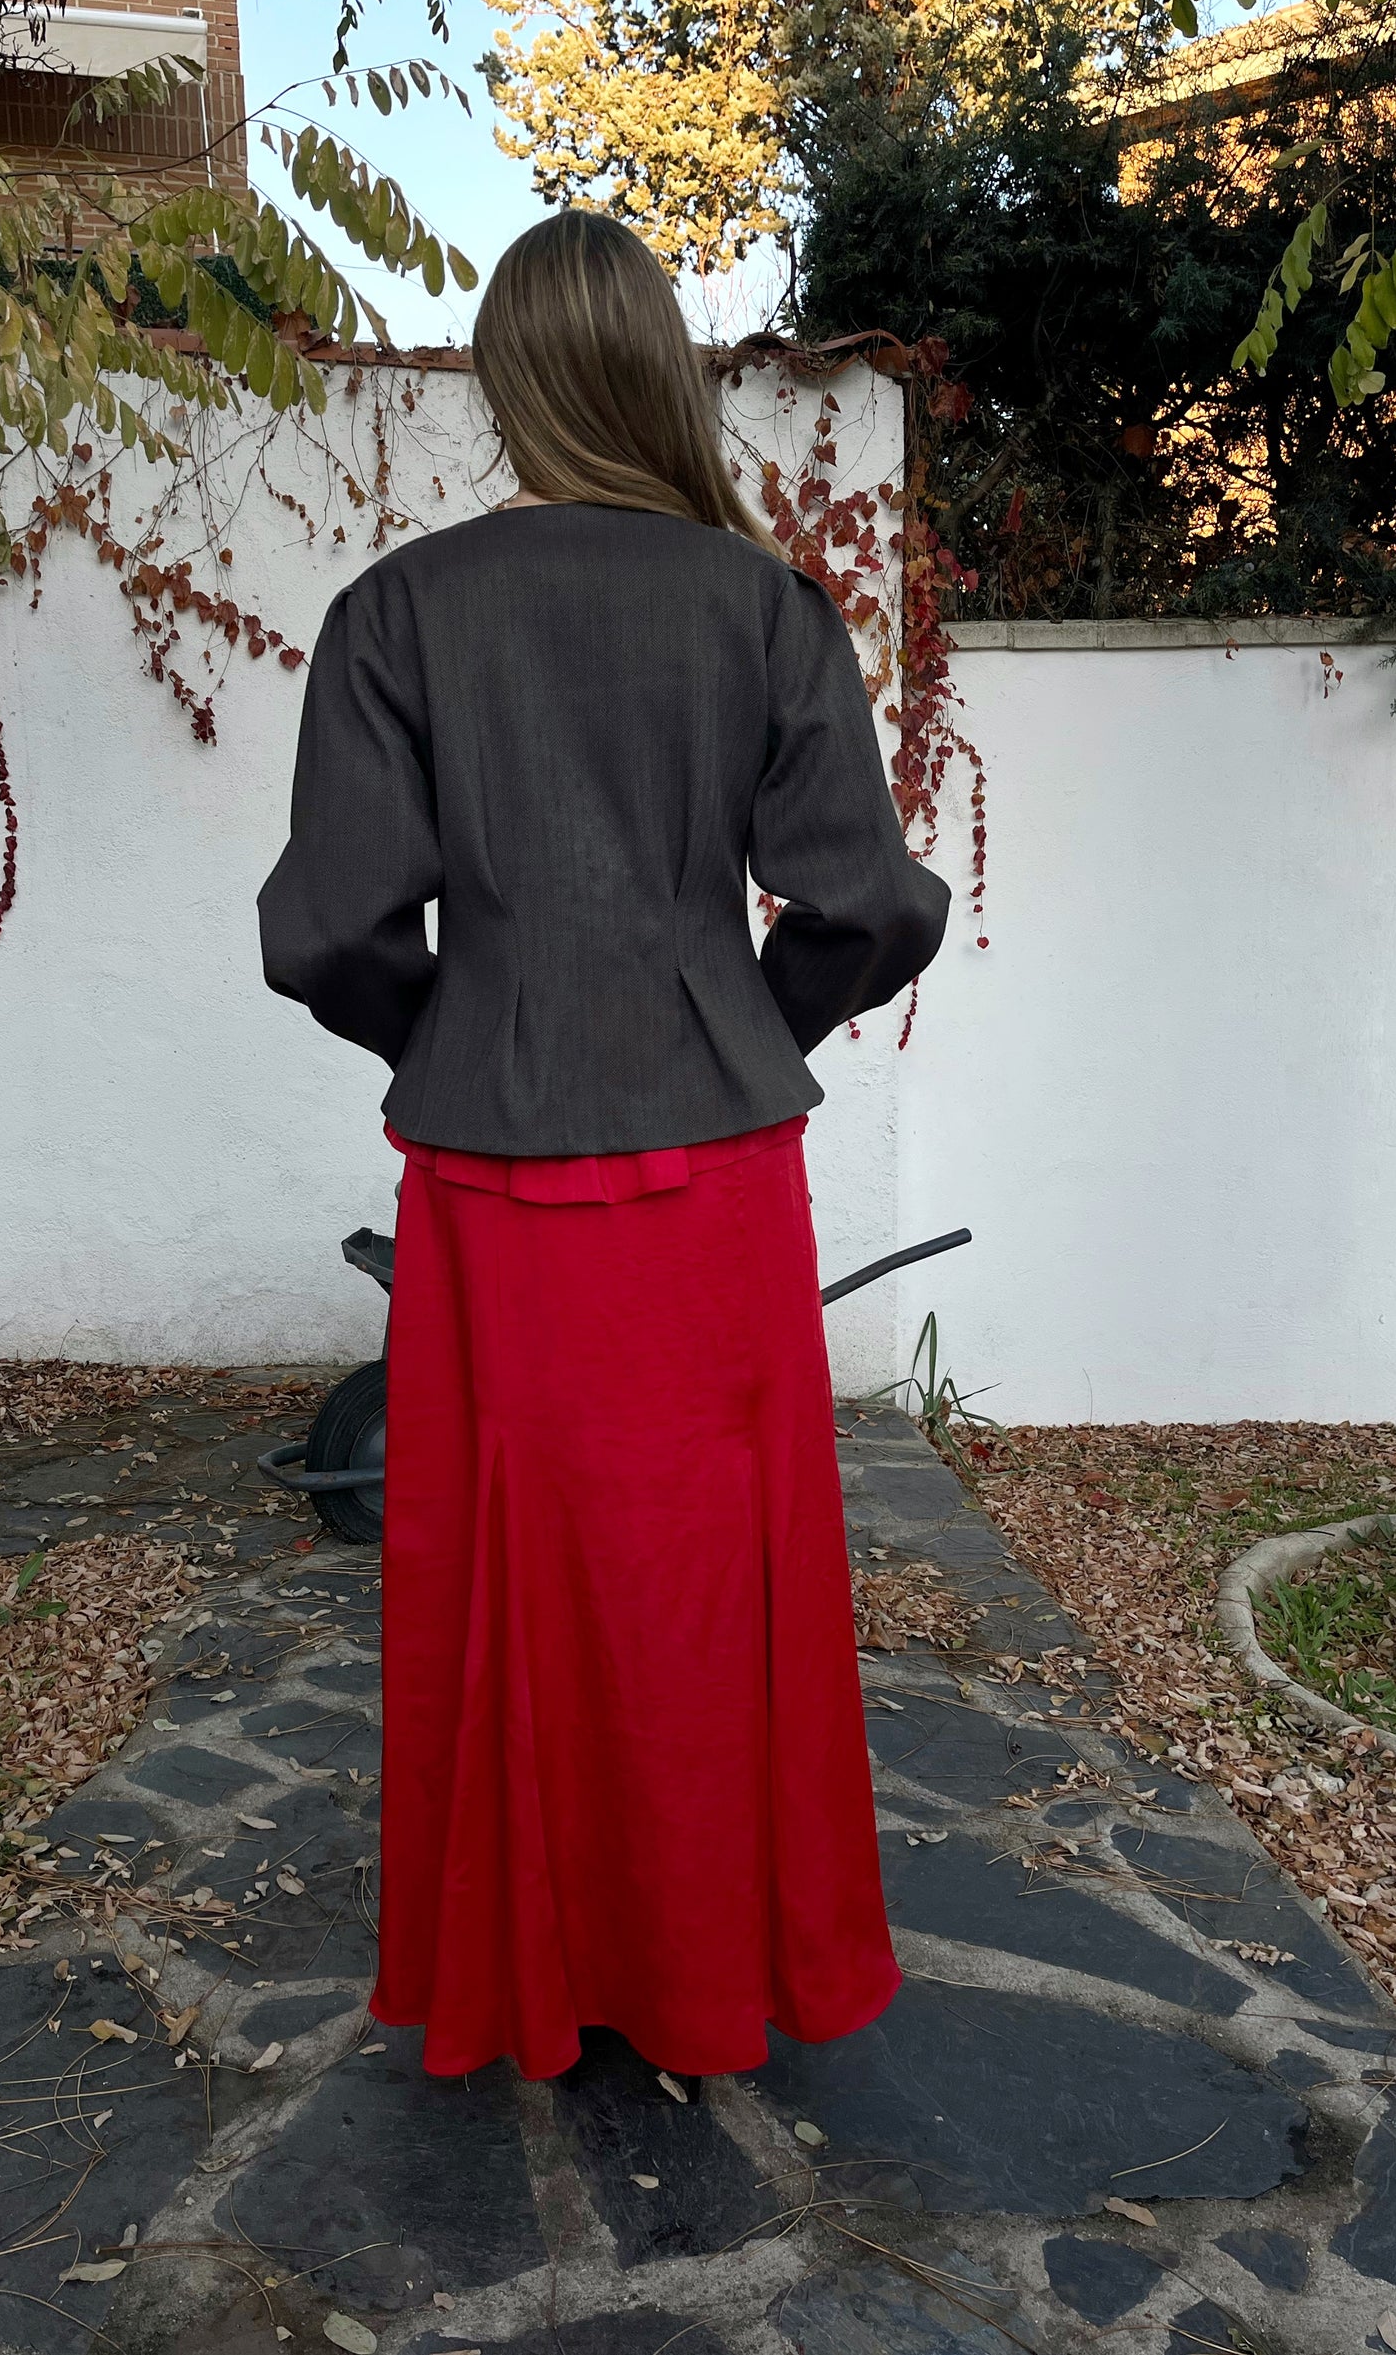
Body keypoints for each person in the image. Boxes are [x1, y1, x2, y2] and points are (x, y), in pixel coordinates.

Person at [256, 211, 950, 2083]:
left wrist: (453, 1032)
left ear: (508, 382)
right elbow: (868, 903)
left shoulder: (398, 611)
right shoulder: (762, 607)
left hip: (489, 1175)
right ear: (657, 373)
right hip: (711, 1168)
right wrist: (744, 1019)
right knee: (712, 1574)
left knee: (508, 1570)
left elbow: (326, 930)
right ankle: (715, 1969)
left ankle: (529, 1973)